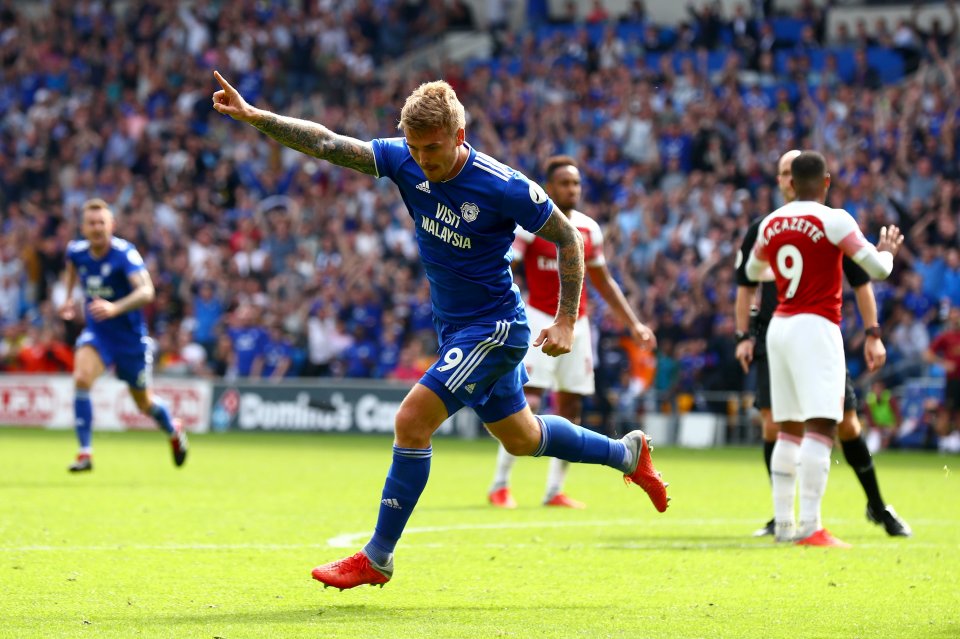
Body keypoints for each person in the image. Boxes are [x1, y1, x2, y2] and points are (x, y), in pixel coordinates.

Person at [212, 73, 669, 590]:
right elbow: (328, 142)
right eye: (414, 147)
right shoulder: (405, 159)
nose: (423, 159)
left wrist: (566, 317)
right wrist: (256, 117)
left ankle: (377, 557)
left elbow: (568, 237)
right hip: (455, 328)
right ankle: (627, 453)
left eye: (432, 148)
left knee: (411, 421)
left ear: (459, 133)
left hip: (495, 328)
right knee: (522, 438)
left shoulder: (503, 185)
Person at [735, 150, 911, 538]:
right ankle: (811, 527)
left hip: (777, 326)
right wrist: (888, 252)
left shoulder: (771, 223)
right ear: (827, 182)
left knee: (787, 429)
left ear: (791, 184)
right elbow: (877, 271)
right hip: (816, 325)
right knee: (821, 426)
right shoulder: (834, 219)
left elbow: (751, 272)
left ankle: (783, 524)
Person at [488, 155, 656, 510]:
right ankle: (500, 484)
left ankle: (554, 490)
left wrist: (634, 324)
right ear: (550, 187)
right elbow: (506, 266)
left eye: (576, 183)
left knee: (571, 406)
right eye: (565, 183)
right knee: (527, 402)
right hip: (537, 320)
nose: (572, 189)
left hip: (578, 326)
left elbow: (603, 282)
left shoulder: (588, 230)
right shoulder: (531, 226)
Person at [59, 199, 189, 472]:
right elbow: (71, 269)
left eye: (101, 223)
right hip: (98, 334)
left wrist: (115, 307)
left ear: (112, 225)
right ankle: (85, 453)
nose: (97, 228)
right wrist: (69, 299)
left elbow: (147, 292)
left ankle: (173, 429)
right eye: (91, 223)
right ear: (83, 227)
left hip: (130, 341)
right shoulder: (76, 252)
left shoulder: (124, 254)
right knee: (81, 378)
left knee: (144, 403)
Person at [926, 305, 960, 449]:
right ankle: (944, 441)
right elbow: (928, 354)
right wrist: (943, 363)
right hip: (953, 381)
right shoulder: (946, 337)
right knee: (948, 412)